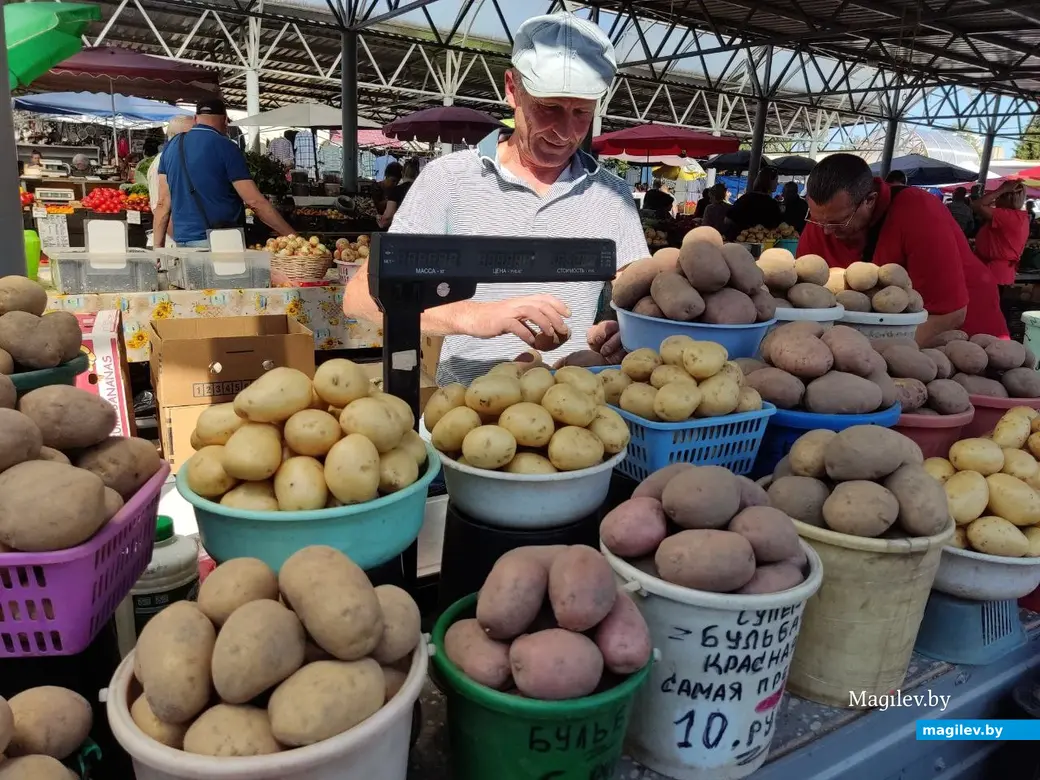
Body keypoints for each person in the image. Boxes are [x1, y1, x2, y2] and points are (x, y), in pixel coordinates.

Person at [341, 11, 649, 385]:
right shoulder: (449, 180)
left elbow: (638, 295)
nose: (565, 132)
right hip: (467, 419)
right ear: (512, 88)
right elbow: (359, 298)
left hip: (574, 418)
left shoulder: (612, 195)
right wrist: (471, 316)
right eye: (549, 108)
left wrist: (621, 331)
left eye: (581, 112)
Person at [796, 153, 1007, 345]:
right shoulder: (824, 220)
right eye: (816, 220)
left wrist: (871, 356)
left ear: (870, 200)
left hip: (961, 324)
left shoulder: (918, 212)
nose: (825, 232)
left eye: (838, 222)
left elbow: (950, 313)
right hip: (875, 331)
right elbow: (802, 294)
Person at [153, 99, 293, 249]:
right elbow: (255, 202)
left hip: (182, 242)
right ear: (225, 121)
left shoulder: (172, 147)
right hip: (220, 242)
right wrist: (292, 236)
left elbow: (162, 203)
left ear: (195, 118)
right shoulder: (227, 147)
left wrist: (158, 249)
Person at [972, 180, 1029, 287]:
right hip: (998, 272)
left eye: (999, 196)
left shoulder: (1006, 216)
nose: (996, 198)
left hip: (992, 273)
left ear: (1005, 197)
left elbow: (977, 205)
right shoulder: (1017, 217)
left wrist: (1001, 189)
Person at [148, 116, 194, 214]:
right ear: (176, 137)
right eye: (191, 134)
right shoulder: (161, 161)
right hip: (174, 225)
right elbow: (160, 204)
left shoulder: (189, 157)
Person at [727, 166, 781, 237]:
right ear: (769, 181)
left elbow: (728, 220)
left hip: (742, 240)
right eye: (776, 180)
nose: (777, 184)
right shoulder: (772, 205)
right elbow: (777, 227)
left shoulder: (745, 198)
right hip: (765, 242)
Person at [377, 157, 418, 230]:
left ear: (402, 174)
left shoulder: (397, 191)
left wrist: (379, 220)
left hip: (401, 234)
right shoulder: (423, 190)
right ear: (417, 174)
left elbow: (387, 218)